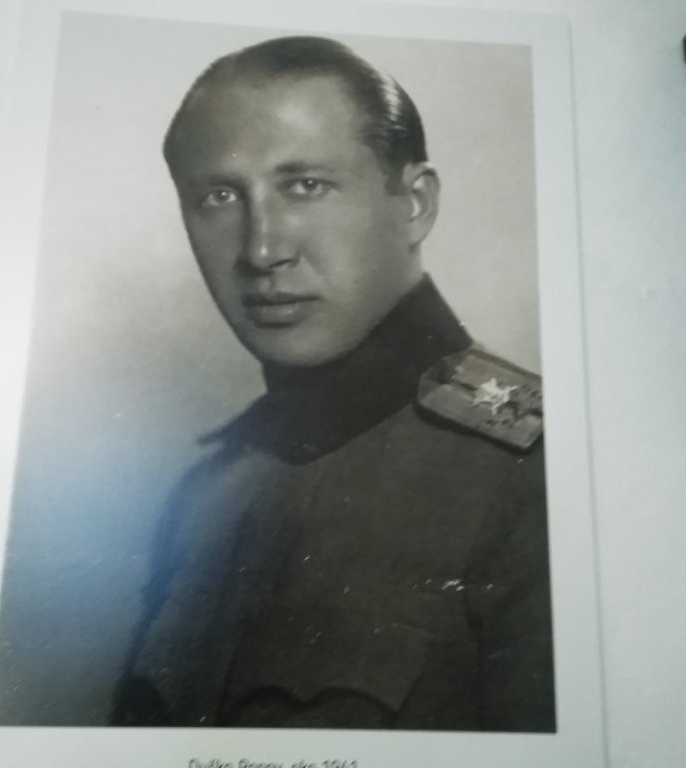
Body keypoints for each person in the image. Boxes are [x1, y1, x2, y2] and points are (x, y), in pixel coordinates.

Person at [110, 35, 553, 732]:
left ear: (414, 204)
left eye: (305, 186)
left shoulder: (538, 472)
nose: (262, 249)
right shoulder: (208, 494)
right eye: (219, 196)